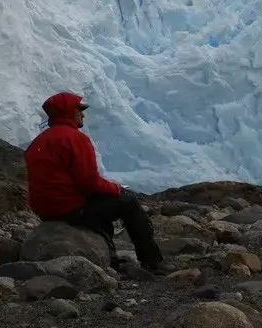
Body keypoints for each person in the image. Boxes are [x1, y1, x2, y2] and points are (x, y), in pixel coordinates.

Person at [24, 91, 171, 274]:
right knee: (129, 203)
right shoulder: (75, 138)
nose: (83, 114)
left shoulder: (38, 142)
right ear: (68, 112)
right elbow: (88, 183)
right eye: (79, 109)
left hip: (45, 211)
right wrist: (116, 188)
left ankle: (110, 257)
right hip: (69, 209)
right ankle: (153, 262)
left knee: (100, 208)